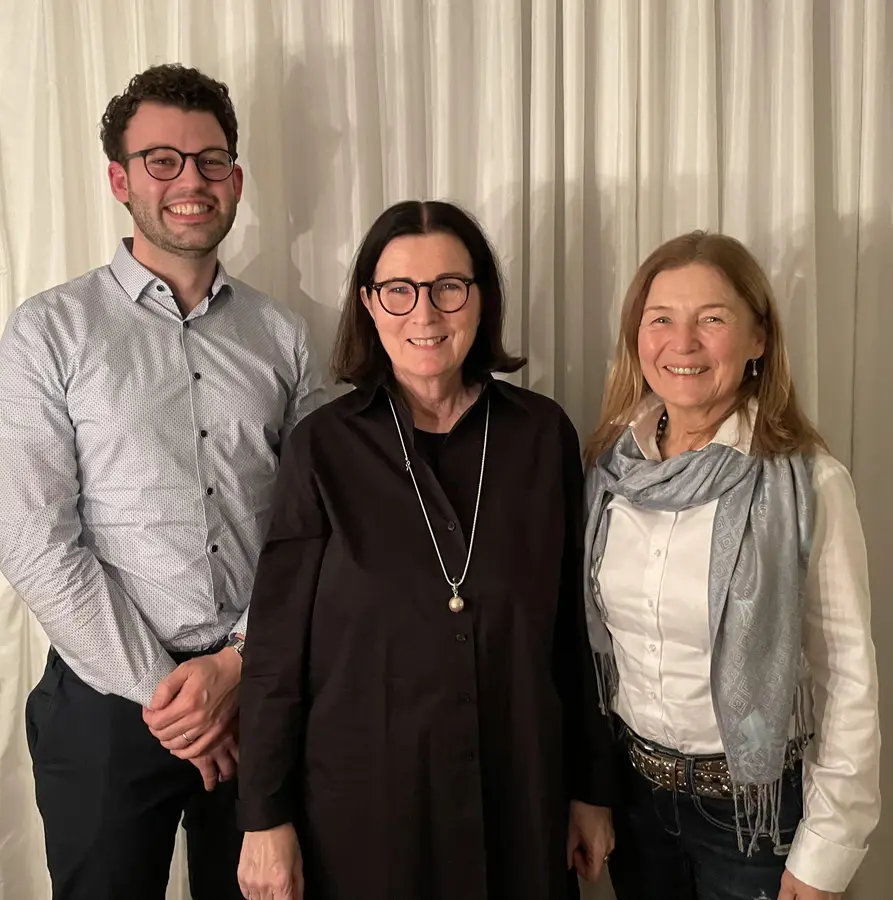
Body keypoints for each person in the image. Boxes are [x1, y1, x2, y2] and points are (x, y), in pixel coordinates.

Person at [0, 63, 325, 899]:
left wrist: (235, 668)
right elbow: (30, 531)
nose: (190, 182)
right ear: (120, 179)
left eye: (210, 160)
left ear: (235, 179)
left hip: (260, 695)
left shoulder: (284, 335)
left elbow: (312, 527)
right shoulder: (49, 331)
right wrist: (174, 700)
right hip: (104, 706)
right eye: (161, 160)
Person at [232, 200, 616, 900]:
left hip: (519, 799)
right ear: (368, 306)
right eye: (399, 291)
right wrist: (264, 817)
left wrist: (591, 789)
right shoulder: (322, 448)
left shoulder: (542, 435)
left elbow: (575, 632)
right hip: (366, 811)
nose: (425, 313)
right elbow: (277, 651)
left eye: (448, 287)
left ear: (481, 298)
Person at [581, 232, 881, 900]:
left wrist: (827, 852)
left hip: (754, 821)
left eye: (711, 319)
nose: (681, 343)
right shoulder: (610, 472)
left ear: (758, 340)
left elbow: (847, 678)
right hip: (635, 803)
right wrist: (592, 790)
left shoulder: (809, 484)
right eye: (661, 319)